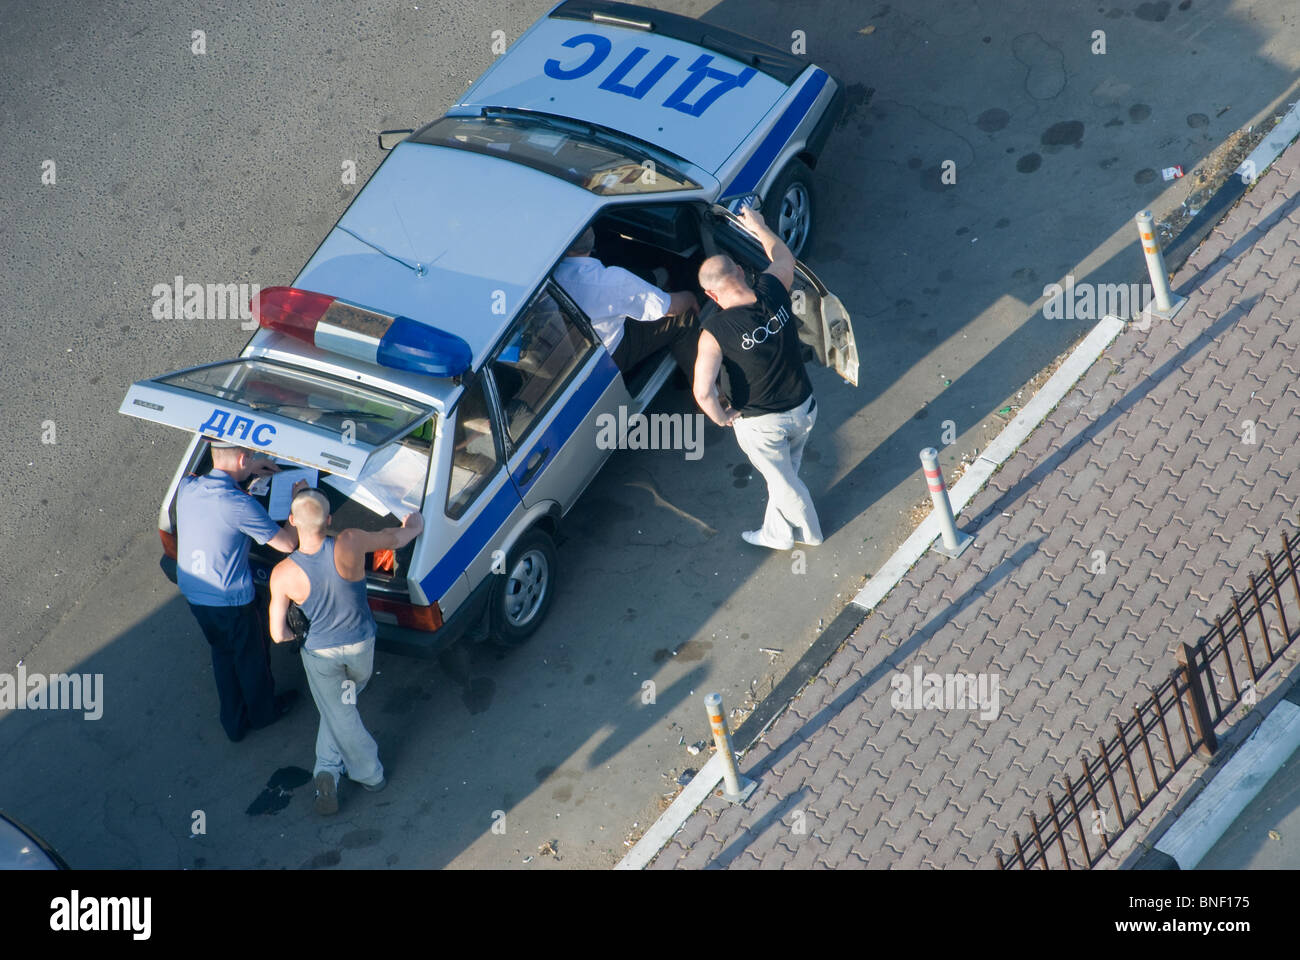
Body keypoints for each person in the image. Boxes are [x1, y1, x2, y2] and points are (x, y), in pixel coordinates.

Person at [267, 488, 424, 815]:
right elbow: (397, 539)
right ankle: (327, 769)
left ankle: (369, 774)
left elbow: (278, 633)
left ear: (293, 520)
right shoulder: (350, 541)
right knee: (340, 706)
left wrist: (300, 631)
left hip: (321, 653)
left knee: (339, 710)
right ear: (329, 520)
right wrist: (414, 525)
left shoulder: (283, 574)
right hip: (361, 644)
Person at [693, 206, 823, 550]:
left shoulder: (714, 332)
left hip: (761, 424)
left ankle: (811, 533)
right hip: (804, 409)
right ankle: (776, 535)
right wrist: (760, 227)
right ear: (739, 270)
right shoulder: (772, 288)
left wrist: (722, 418)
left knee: (784, 483)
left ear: (710, 294)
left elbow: (703, 391)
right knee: (783, 477)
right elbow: (783, 255)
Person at [176, 442, 303, 741]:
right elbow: (287, 544)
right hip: (231, 600)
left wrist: (248, 470)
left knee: (222, 652)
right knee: (252, 657)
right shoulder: (239, 504)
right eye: (252, 457)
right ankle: (264, 713)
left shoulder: (188, 487)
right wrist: (297, 504)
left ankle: (232, 721)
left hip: (195, 591)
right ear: (244, 457)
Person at [553, 226, 702, 378]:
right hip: (609, 356)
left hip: (572, 351)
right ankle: (711, 391)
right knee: (683, 316)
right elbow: (671, 307)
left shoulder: (553, 272)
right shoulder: (612, 280)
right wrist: (690, 297)